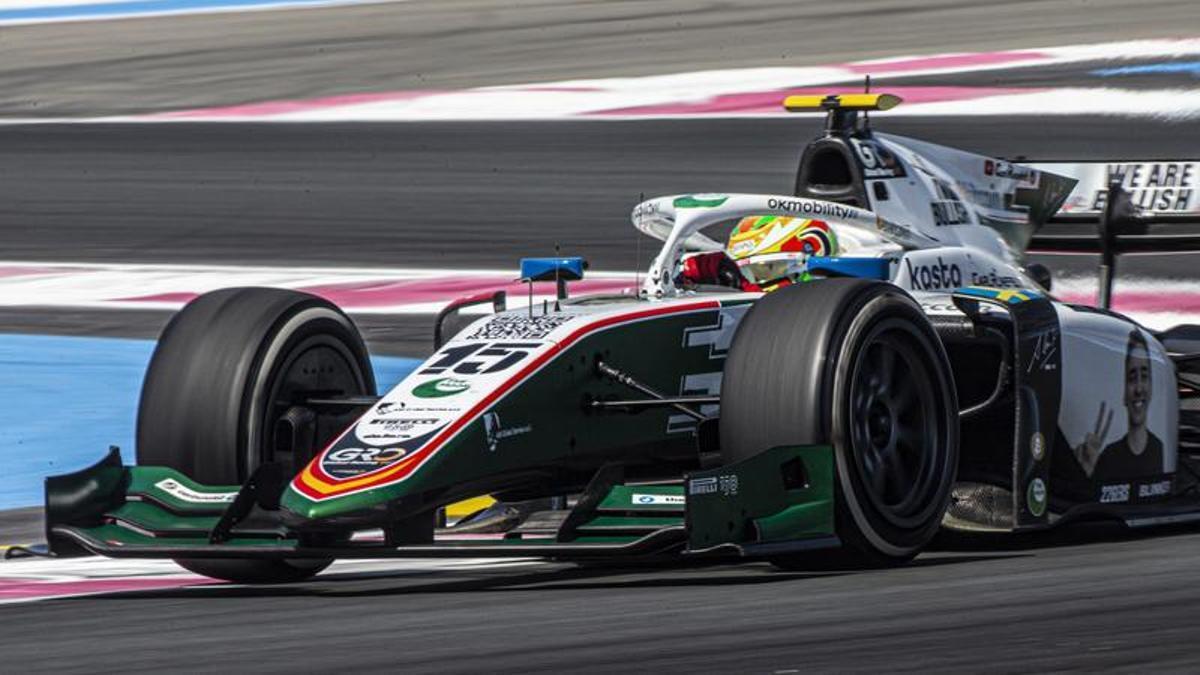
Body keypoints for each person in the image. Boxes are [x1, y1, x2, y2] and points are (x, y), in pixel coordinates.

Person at [1073, 329, 1163, 480]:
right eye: (1132, 378)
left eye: (1145, 376)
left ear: (1152, 386)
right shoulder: (1108, 456)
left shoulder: (1159, 448)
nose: (1139, 388)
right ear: (1124, 393)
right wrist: (1086, 474)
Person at [676, 215, 838, 292]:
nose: (754, 275)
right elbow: (716, 265)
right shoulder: (740, 274)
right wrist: (685, 270)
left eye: (768, 267)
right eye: (749, 269)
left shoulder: (830, 297)